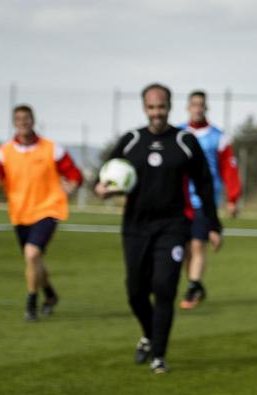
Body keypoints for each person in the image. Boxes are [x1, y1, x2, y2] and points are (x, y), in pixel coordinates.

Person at [96, 83, 222, 373]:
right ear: (145, 108)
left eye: (161, 107)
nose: (157, 113)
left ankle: (159, 356)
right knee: (135, 291)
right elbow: (106, 175)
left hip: (173, 227)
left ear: (169, 106)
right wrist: (102, 189)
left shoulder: (184, 141)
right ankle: (149, 334)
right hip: (135, 227)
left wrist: (213, 225)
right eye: (151, 108)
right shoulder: (131, 141)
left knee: (164, 288)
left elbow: (204, 184)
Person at [0, 104, 83, 320]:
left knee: (32, 253)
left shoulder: (52, 149)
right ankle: (50, 294)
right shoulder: (5, 152)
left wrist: (72, 184)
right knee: (34, 260)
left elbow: (74, 174)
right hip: (20, 213)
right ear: (14, 123)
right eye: (18, 119)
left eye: (26, 118)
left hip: (49, 209)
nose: (23, 122)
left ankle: (31, 302)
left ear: (33, 120)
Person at [178, 90, 242, 310]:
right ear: (188, 107)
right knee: (185, 248)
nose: (197, 108)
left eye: (201, 105)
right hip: (179, 199)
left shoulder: (218, 137)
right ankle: (195, 284)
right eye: (194, 104)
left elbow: (229, 169)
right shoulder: (177, 133)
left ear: (205, 108)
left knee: (197, 244)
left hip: (204, 200)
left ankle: (193, 286)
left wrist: (232, 198)